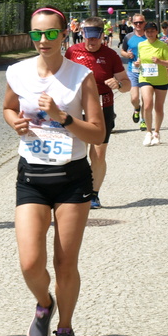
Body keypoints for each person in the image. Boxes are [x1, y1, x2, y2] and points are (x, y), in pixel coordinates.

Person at [3, 7, 105, 336]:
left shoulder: (81, 77)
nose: (42, 40)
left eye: (49, 34)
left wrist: (64, 118)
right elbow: (7, 108)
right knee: (30, 262)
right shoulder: (17, 73)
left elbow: (98, 132)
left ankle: (65, 326)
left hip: (71, 178)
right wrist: (14, 121)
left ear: (65, 35)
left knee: (65, 263)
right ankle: (44, 303)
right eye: (36, 34)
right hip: (31, 174)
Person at [65, 17, 130, 209]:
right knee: (75, 151)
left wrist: (117, 84)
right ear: (82, 34)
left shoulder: (111, 55)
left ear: (103, 35)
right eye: (87, 37)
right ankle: (74, 191)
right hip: (77, 107)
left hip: (103, 107)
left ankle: (93, 193)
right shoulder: (72, 52)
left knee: (98, 154)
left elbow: (126, 84)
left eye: (95, 38)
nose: (91, 42)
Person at [136, 21, 168, 146]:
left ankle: (156, 132)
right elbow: (140, 59)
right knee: (147, 105)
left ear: (156, 32)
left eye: (152, 31)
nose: (150, 33)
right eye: (147, 31)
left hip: (161, 79)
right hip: (145, 78)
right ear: (144, 32)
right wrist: (137, 63)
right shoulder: (141, 45)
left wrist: (160, 61)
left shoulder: (162, 45)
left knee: (158, 107)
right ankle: (148, 132)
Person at [120, 13, 148, 131]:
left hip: (146, 71)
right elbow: (122, 51)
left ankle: (144, 121)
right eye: (136, 23)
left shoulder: (149, 36)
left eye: (140, 22)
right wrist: (127, 55)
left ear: (144, 23)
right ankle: (136, 108)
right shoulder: (128, 37)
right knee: (134, 98)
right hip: (133, 71)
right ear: (132, 24)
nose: (138, 25)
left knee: (146, 99)